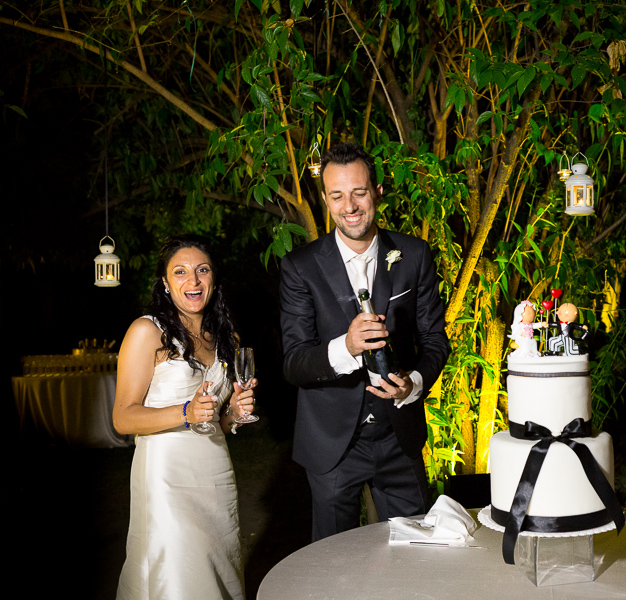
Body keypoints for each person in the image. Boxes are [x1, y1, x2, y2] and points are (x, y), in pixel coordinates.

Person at [280, 143, 450, 541]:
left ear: (377, 191)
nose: (349, 205)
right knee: (334, 565)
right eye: (337, 195)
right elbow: (294, 362)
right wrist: (347, 346)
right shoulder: (300, 267)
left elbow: (435, 340)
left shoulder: (413, 254)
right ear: (324, 200)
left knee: (415, 558)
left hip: (399, 436)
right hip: (332, 445)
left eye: (359, 192)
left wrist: (415, 384)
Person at [113, 234, 257, 600]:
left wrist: (235, 413)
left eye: (202, 270)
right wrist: (184, 412)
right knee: (178, 572)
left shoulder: (229, 338)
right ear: (165, 283)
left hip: (215, 472)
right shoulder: (147, 332)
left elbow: (217, 420)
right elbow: (123, 418)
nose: (192, 281)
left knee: (217, 564)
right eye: (180, 272)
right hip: (166, 477)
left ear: (213, 279)